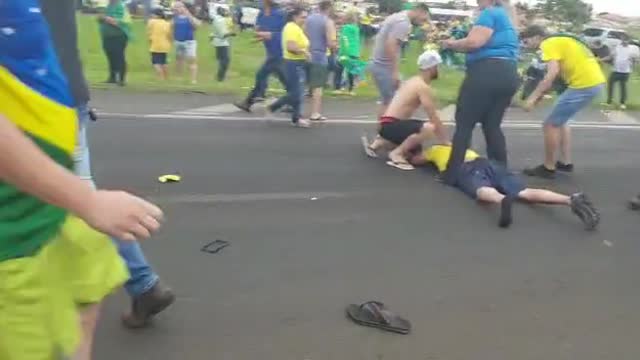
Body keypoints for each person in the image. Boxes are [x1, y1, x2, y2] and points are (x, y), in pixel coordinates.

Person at [0, 1, 164, 359]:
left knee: (87, 288)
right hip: (13, 235)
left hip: (52, 203)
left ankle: (143, 282)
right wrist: (86, 201)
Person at [41, 0, 175, 333]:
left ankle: (136, 286)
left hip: (34, 101)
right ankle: (142, 285)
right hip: (66, 91)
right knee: (78, 197)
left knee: (74, 201)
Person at [411, 145, 600, 230]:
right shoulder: (462, 145)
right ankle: (569, 199)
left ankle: (501, 200)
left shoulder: (434, 149)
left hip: (465, 169)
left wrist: (414, 155)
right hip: (486, 163)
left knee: (480, 189)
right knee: (523, 191)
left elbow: (417, 160)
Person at [439, 0, 519, 187]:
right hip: (508, 72)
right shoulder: (506, 17)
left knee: (465, 123)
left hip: (486, 71)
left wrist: (450, 44)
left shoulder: (489, 13)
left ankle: (453, 174)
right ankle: (500, 172)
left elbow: (474, 42)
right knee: (492, 125)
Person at [520, 25, 606, 179]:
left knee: (550, 124)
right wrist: (539, 97)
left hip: (584, 84)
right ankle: (565, 163)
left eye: (526, 42)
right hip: (593, 82)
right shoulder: (561, 39)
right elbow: (556, 76)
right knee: (561, 121)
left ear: (536, 37)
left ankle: (548, 167)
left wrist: (532, 98)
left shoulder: (548, 43)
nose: (526, 46)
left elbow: (551, 74)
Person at [363, 51, 449, 170]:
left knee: (415, 155)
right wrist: (445, 141)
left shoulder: (413, 81)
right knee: (429, 128)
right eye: (438, 66)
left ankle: (382, 142)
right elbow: (433, 116)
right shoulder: (422, 86)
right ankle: (396, 153)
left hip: (387, 125)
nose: (440, 70)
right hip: (391, 126)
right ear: (432, 67)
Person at [369, 3, 431, 118]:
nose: (423, 22)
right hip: (383, 66)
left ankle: (385, 131)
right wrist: (395, 72)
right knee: (394, 103)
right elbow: (391, 45)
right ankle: (385, 133)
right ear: (420, 11)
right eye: (424, 18)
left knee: (390, 101)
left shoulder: (398, 17)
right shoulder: (403, 23)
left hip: (379, 64)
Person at [234, 0, 288, 111]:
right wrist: (259, 36)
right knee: (284, 79)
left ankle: (252, 100)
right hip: (271, 51)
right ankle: (294, 99)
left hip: (280, 52)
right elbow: (260, 29)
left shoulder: (280, 14)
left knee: (261, 75)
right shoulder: (261, 13)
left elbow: (286, 33)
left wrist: (269, 35)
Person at [265, 7, 311, 128]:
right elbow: (291, 47)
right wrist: (304, 52)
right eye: (303, 17)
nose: (305, 20)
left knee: (298, 92)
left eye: (306, 17)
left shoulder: (296, 28)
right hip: (293, 63)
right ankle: (273, 107)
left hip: (298, 63)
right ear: (295, 17)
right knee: (296, 93)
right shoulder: (291, 28)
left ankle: (296, 118)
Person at [305, 0, 337, 121]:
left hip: (307, 53)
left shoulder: (309, 19)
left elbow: (304, 34)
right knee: (318, 87)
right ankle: (315, 113)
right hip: (319, 55)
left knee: (306, 84)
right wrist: (335, 47)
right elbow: (330, 42)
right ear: (328, 8)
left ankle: (295, 109)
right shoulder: (328, 22)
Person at [99, 0, 132, 86]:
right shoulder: (109, 5)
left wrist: (106, 18)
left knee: (119, 56)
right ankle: (112, 77)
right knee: (110, 56)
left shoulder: (121, 6)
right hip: (107, 36)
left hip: (118, 36)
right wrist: (101, 19)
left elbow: (122, 21)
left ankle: (121, 79)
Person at [605, 36, 639, 110]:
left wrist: (634, 61)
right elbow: (610, 56)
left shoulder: (632, 49)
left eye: (626, 40)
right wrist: (600, 60)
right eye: (623, 40)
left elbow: (636, 59)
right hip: (615, 70)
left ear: (629, 40)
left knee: (622, 87)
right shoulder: (617, 47)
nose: (624, 42)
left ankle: (622, 103)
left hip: (625, 71)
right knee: (610, 84)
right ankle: (609, 101)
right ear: (621, 40)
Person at [173, 1, 201, 84]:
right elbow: (172, 28)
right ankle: (179, 77)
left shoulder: (189, 17)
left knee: (192, 60)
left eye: (178, 7)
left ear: (184, 7)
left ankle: (193, 79)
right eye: (175, 7)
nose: (176, 8)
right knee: (179, 59)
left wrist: (188, 14)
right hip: (178, 41)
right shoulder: (175, 17)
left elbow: (198, 25)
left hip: (189, 42)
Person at [337, 12, 363, 94]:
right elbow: (357, 41)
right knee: (351, 70)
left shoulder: (345, 28)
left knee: (342, 69)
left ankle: (341, 87)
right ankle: (351, 89)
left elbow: (343, 39)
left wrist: (342, 49)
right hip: (355, 51)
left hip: (346, 51)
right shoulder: (356, 28)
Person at [147, 7, 172, 80]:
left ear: (156, 15)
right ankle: (166, 77)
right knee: (164, 62)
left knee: (156, 62)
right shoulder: (167, 23)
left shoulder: (151, 22)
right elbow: (169, 35)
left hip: (155, 45)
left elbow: (149, 33)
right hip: (165, 45)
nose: (151, 16)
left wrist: (149, 42)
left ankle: (160, 77)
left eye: (153, 14)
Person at [211, 6, 234, 82]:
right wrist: (231, 33)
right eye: (225, 11)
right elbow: (223, 34)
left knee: (222, 60)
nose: (226, 12)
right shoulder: (220, 20)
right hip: (222, 43)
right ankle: (220, 77)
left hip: (218, 42)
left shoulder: (217, 19)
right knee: (225, 60)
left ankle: (220, 76)